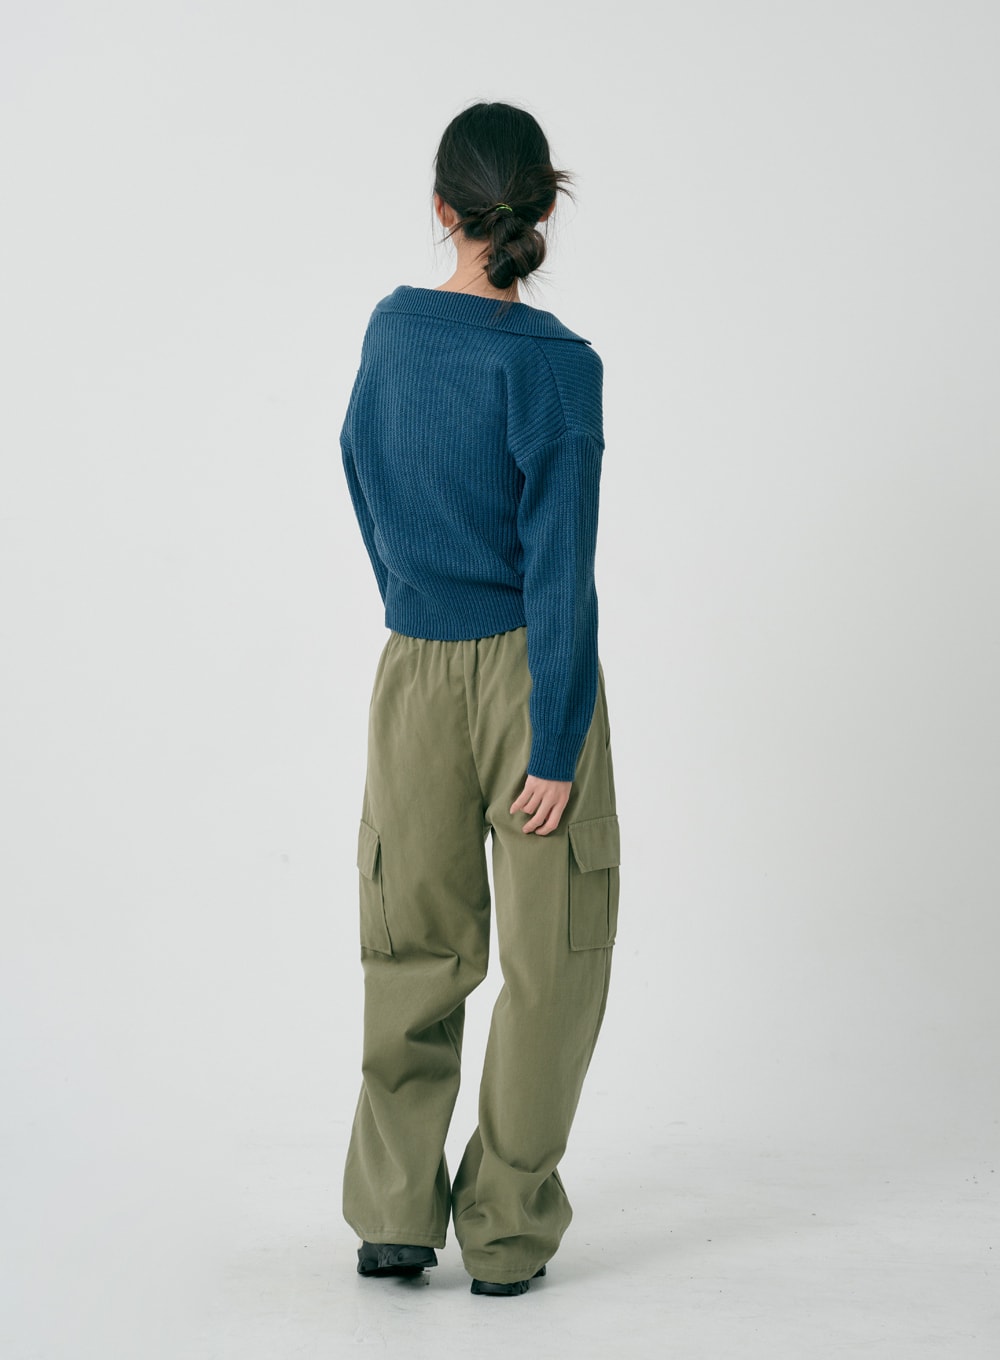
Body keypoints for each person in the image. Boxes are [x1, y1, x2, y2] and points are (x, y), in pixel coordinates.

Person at [338, 100, 620, 1298]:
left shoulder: (391, 332)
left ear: (441, 207)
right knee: (553, 956)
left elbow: (358, 471)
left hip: (411, 668)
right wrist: (553, 742)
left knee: (411, 942)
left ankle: (394, 1215)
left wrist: (414, 597)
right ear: (543, 209)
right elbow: (560, 569)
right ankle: (503, 1231)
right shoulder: (555, 365)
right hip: (527, 675)